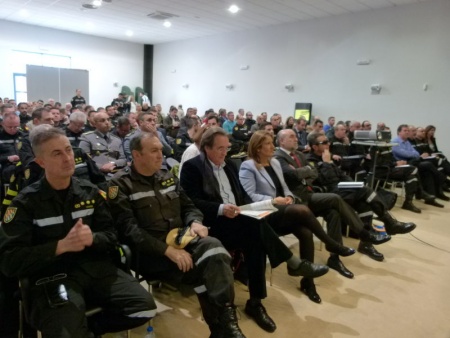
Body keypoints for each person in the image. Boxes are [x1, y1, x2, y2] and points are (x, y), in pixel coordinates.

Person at [0, 126, 156, 337]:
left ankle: (88, 331)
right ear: (41, 162)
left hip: (95, 269)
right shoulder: (25, 204)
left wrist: (93, 238)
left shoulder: (89, 192)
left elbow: (111, 236)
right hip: (54, 277)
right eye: (57, 153)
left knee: (145, 307)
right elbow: (10, 261)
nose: (68, 158)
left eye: (68, 150)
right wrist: (59, 247)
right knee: (65, 329)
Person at [181, 127, 330, 333]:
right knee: (255, 226)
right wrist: (222, 209)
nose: (224, 153)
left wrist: (255, 207)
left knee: (256, 237)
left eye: (227, 148)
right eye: (219, 149)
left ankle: (256, 301)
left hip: (240, 218)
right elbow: (191, 202)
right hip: (212, 224)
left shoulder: (230, 165)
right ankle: (291, 265)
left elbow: (242, 196)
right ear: (206, 148)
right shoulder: (192, 167)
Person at [108, 132, 246, 338]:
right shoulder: (119, 184)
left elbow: (189, 206)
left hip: (183, 239)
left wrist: (196, 222)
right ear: (136, 155)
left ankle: (226, 321)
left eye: (161, 150)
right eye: (154, 151)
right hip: (151, 252)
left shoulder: (167, 177)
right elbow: (129, 231)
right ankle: (223, 328)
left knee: (215, 248)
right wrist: (167, 251)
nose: (160, 155)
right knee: (209, 268)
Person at [274, 129, 390, 273]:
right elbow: (294, 174)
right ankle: (364, 233)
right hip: (296, 199)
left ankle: (334, 258)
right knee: (336, 198)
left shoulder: (298, 155)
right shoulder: (278, 157)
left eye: (296, 137)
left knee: (334, 212)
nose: (296, 139)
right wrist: (307, 171)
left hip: (309, 195)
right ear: (281, 141)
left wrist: (305, 172)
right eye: (292, 137)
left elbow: (313, 174)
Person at [307, 132, 417, 261]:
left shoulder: (327, 156)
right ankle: (389, 223)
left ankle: (366, 244)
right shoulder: (310, 160)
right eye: (324, 142)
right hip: (328, 194)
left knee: (364, 205)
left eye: (328, 141)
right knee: (364, 190)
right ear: (314, 146)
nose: (328, 144)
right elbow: (325, 181)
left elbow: (342, 175)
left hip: (341, 189)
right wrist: (327, 163)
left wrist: (351, 184)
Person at [392, 124, 449, 201]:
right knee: (429, 164)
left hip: (412, 161)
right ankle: (444, 180)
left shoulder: (406, 142)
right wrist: (413, 154)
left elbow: (416, 153)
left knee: (428, 170)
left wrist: (413, 154)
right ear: (399, 132)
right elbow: (403, 154)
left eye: (408, 131)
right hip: (403, 164)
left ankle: (432, 197)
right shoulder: (394, 141)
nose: (407, 132)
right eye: (405, 131)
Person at [79, 112, 127, 177]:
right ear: (94, 124)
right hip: (96, 175)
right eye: (102, 120)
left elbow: (123, 159)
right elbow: (84, 159)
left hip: (115, 175)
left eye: (108, 119)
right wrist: (101, 167)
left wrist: (113, 163)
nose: (107, 122)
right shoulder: (87, 137)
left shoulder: (116, 139)